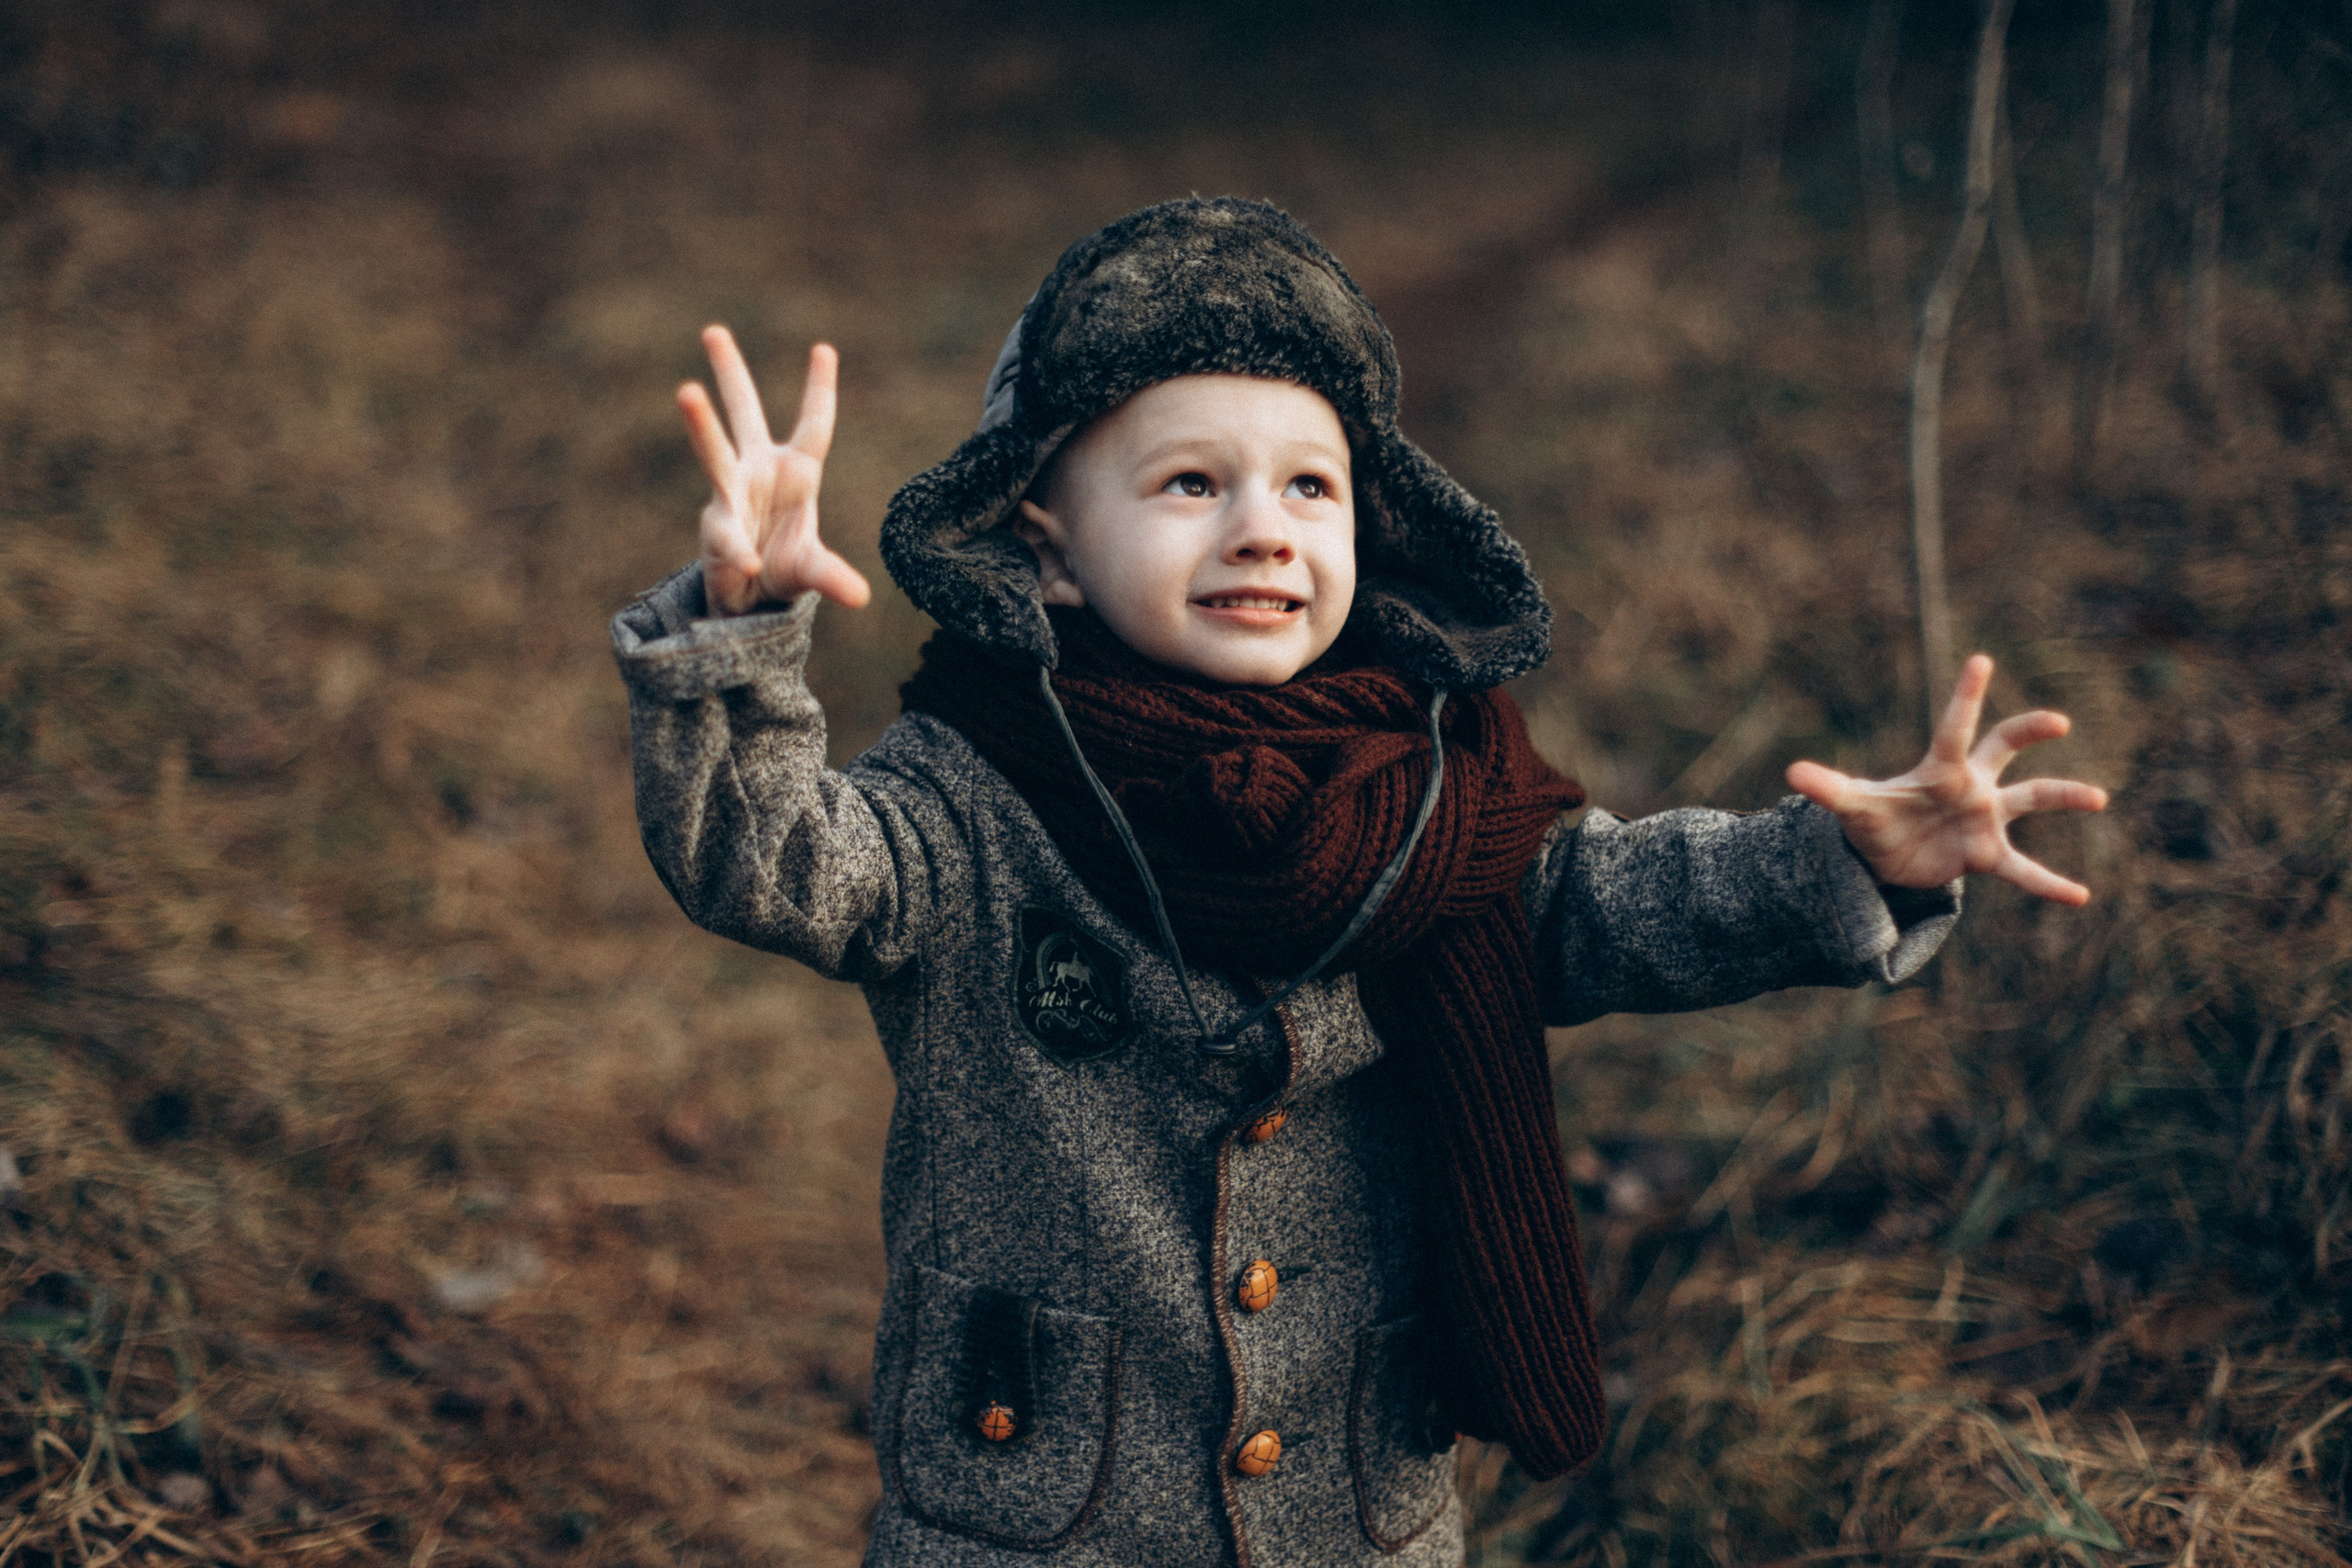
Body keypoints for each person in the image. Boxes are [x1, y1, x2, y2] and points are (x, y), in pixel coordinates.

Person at [611, 198, 2106, 1568]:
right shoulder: (976, 788)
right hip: (1037, 1508)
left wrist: (1842, 859)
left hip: (1349, 1505)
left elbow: (1607, 904)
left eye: (1310, 487)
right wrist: (738, 641)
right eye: (1190, 481)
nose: (1262, 526)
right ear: (1048, 554)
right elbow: (780, 861)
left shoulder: (1427, 794)